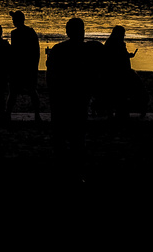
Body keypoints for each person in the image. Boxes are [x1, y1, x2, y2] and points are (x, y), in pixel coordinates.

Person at [45, 17, 100, 152]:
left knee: (61, 135)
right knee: (78, 134)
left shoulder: (58, 49)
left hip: (62, 96)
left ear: (67, 32)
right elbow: (93, 74)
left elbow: (50, 74)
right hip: (79, 96)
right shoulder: (88, 50)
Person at [8, 11, 41, 121]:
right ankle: (37, 115)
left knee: (14, 92)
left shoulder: (15, 34)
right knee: (31, 91)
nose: (12, 22)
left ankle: (8, 114)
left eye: (13, 20)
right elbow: (36, 52)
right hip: (28, 67)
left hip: (19, 68)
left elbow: (13, 52)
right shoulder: (30, 32)